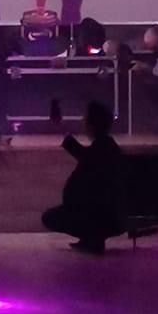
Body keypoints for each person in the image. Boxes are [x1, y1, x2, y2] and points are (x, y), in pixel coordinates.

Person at [43, 101, 126, 253]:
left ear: (92, 125)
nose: (83, 122)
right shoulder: (107, 146)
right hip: (106, 213)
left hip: (100, 214)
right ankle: (90, 237)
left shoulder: (102, 149)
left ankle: (92, 236)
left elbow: (85, 156)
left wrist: (61, 130)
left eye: (85, 119)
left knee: (50, 217)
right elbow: (84, 155)